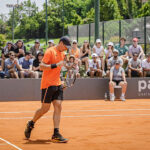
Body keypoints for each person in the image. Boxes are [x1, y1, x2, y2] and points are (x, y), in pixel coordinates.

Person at [24, 36, 71, 143]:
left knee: (58, 106)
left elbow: (61, 69)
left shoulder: (63, 54)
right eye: (66, 46)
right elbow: (41, 66)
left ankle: (56, 133)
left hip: (58, 83)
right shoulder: (50, 51)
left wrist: (62, 80)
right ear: (61, 43)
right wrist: (55, 65)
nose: (66, 49)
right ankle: (31, 123)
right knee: (44, 109)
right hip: (47, 85)